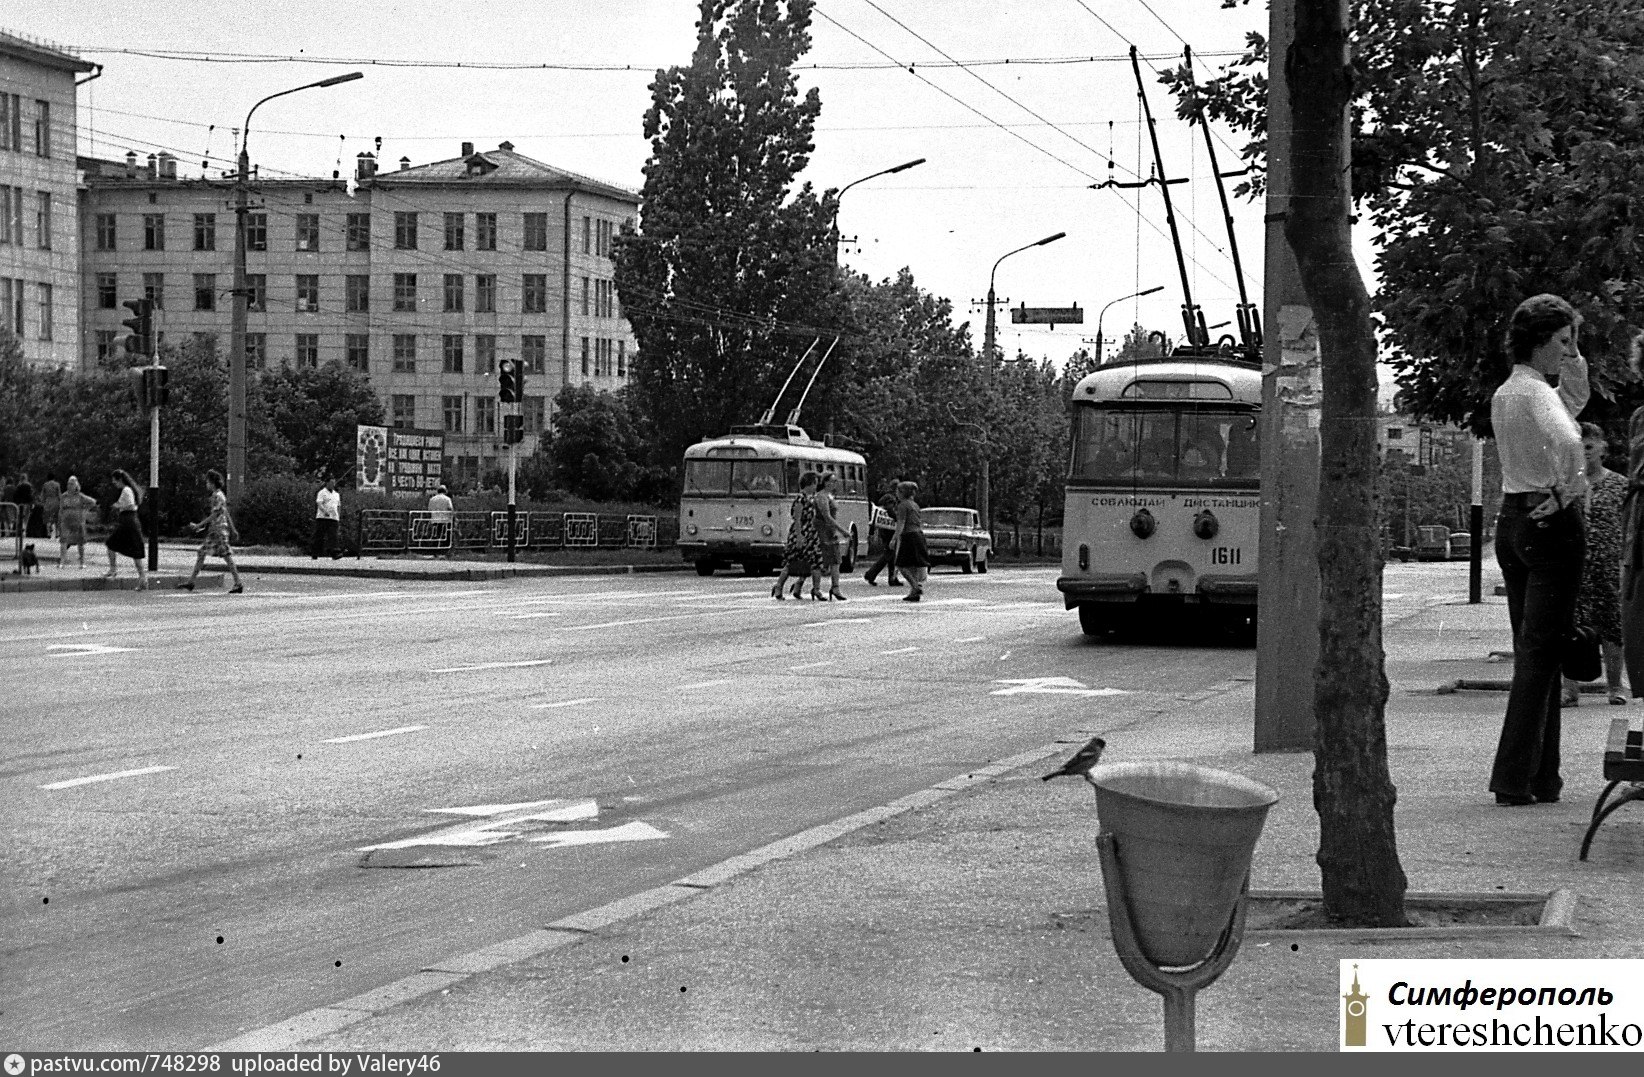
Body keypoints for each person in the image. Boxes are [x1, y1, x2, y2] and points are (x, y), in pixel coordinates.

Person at [1489, 293, 1589, 808]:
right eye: (1563, 342)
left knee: (1537, 652)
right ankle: (1513, 778)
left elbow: (1572, 402)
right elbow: (1571, 440)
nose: (1568, 352)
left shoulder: (1509, 392)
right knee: (1539, 657)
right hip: (1551, 525)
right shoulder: (1537, 394)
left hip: (1512, 519)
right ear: (1540, 340)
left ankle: (1541, 776)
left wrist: (1574, 360)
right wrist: (1568, 491)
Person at [1563, 423, 1627, 706]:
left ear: (1602, 449)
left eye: (1589, 447)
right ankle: (1569, 689)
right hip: (1573, 569)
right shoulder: (1565, 486)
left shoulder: (1619, 486)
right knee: (1570, 627)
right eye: (1579, 448)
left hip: (1609, 567)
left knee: (1612, 627)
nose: (1584, 453)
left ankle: (1615, 687)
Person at [178, 470, 244, 594]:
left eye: (208, 482)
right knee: (202, 552)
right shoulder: (220, 495)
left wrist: (199, 525)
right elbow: (225, 513)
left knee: (227, 556)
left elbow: (216, 514)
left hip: (218, 531)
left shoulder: (216, 496)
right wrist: (232, 528)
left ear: (212, 483)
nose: (206, 484)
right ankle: (191, 582)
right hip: (218, 530)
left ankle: (238, 583)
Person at [772, 471, 823, 600]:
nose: (816, 486)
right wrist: (799, 536)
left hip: (811, 533)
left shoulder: (811, 498)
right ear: (809, 484)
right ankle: (778, 586)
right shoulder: (800, 499)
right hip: (801, 532)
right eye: (815, 483)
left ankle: (814, 589)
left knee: (814, 561)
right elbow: (797, 518)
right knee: (792, 562)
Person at [102, 469, 150, 590]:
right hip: (130, 520)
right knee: (135, 551)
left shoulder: (126, 490)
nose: (114, 483)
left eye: (115, 480)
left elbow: (129, 504)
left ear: (120, 479)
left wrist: (117, 505)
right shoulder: (129, 490)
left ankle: (113, 569)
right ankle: (143, 579)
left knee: (111, 543)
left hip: (128, 521)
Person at [890, 480, 930, 602]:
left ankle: (915, 586)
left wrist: (894, 539)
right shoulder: (915, 505)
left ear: (902, 493)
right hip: (919, 535)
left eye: (898, 491)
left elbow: (900, 524)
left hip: (909, 536)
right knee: (914, 566)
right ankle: (914, 593)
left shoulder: (902, 505)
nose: (896, 493)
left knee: (901, 565)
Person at [812, 472, 849, 601]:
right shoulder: (821, 496)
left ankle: (835, 587)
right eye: (832, 481)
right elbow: (827, 516)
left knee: (835, 561)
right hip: (823, 531)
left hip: (830, 532)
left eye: (835, 481)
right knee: (820, 561)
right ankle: (815, 588)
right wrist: (843, 530)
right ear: (825, 482)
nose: (834, 484)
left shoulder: (830, 496)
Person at [863, 477, 903, 587]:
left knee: (892, 556)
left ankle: (892, 578)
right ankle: (871, 574)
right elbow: (888, 511)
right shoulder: (890, 498)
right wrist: (896, 517)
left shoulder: (888, 496)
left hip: (887, 530)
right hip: (888, 531)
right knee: (888, 555)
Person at [56, 475, 97, 569]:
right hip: (66, 521)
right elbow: (61, 509)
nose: (69, 486)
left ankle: (82, 562)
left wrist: (85, 510)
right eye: (68, 484)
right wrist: (59, 519)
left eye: (72, 484)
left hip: (78, 521)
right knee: (63, 541)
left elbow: (93, 502)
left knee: (80, 542)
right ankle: (62, 561)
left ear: (76, 485)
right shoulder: (64, 496)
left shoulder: (80, 496)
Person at [312, 476, 343, 559]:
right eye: (331, 483)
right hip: (323, 518)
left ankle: (335, 552)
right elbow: (319, 503)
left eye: (334, 483)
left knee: (333, 536)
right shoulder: (322, 492)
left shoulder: (336, 494)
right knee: (319, 536)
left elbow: (338, 505)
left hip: (333, 518)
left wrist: (338, 515)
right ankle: (315, 552)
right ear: (327, 483)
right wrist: (324, 511)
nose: (333, 484)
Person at [39, 474, 60, 541]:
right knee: (56, 518)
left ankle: (49, 533)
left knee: (48, 518)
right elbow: (59, 494)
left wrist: (42, 502)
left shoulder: (45, 485)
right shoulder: (57, 484)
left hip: (48, 502)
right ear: (54, 478)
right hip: (56, 501)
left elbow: (42, 495)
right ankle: (56, 534)